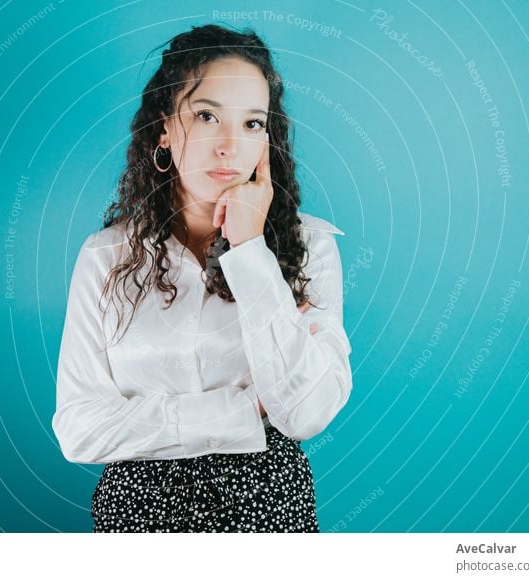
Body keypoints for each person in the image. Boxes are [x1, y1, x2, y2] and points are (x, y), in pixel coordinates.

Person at [51, 23, 354, 533]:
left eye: (253, 123)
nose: (229, 146)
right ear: (165, 126)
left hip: (268, 511)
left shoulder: (311, 245)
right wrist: (243, 410)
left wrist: (251, 250)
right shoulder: (106, 257)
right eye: (207, 115)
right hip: (136, 517)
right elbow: (79, 430)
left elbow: (305, 414)